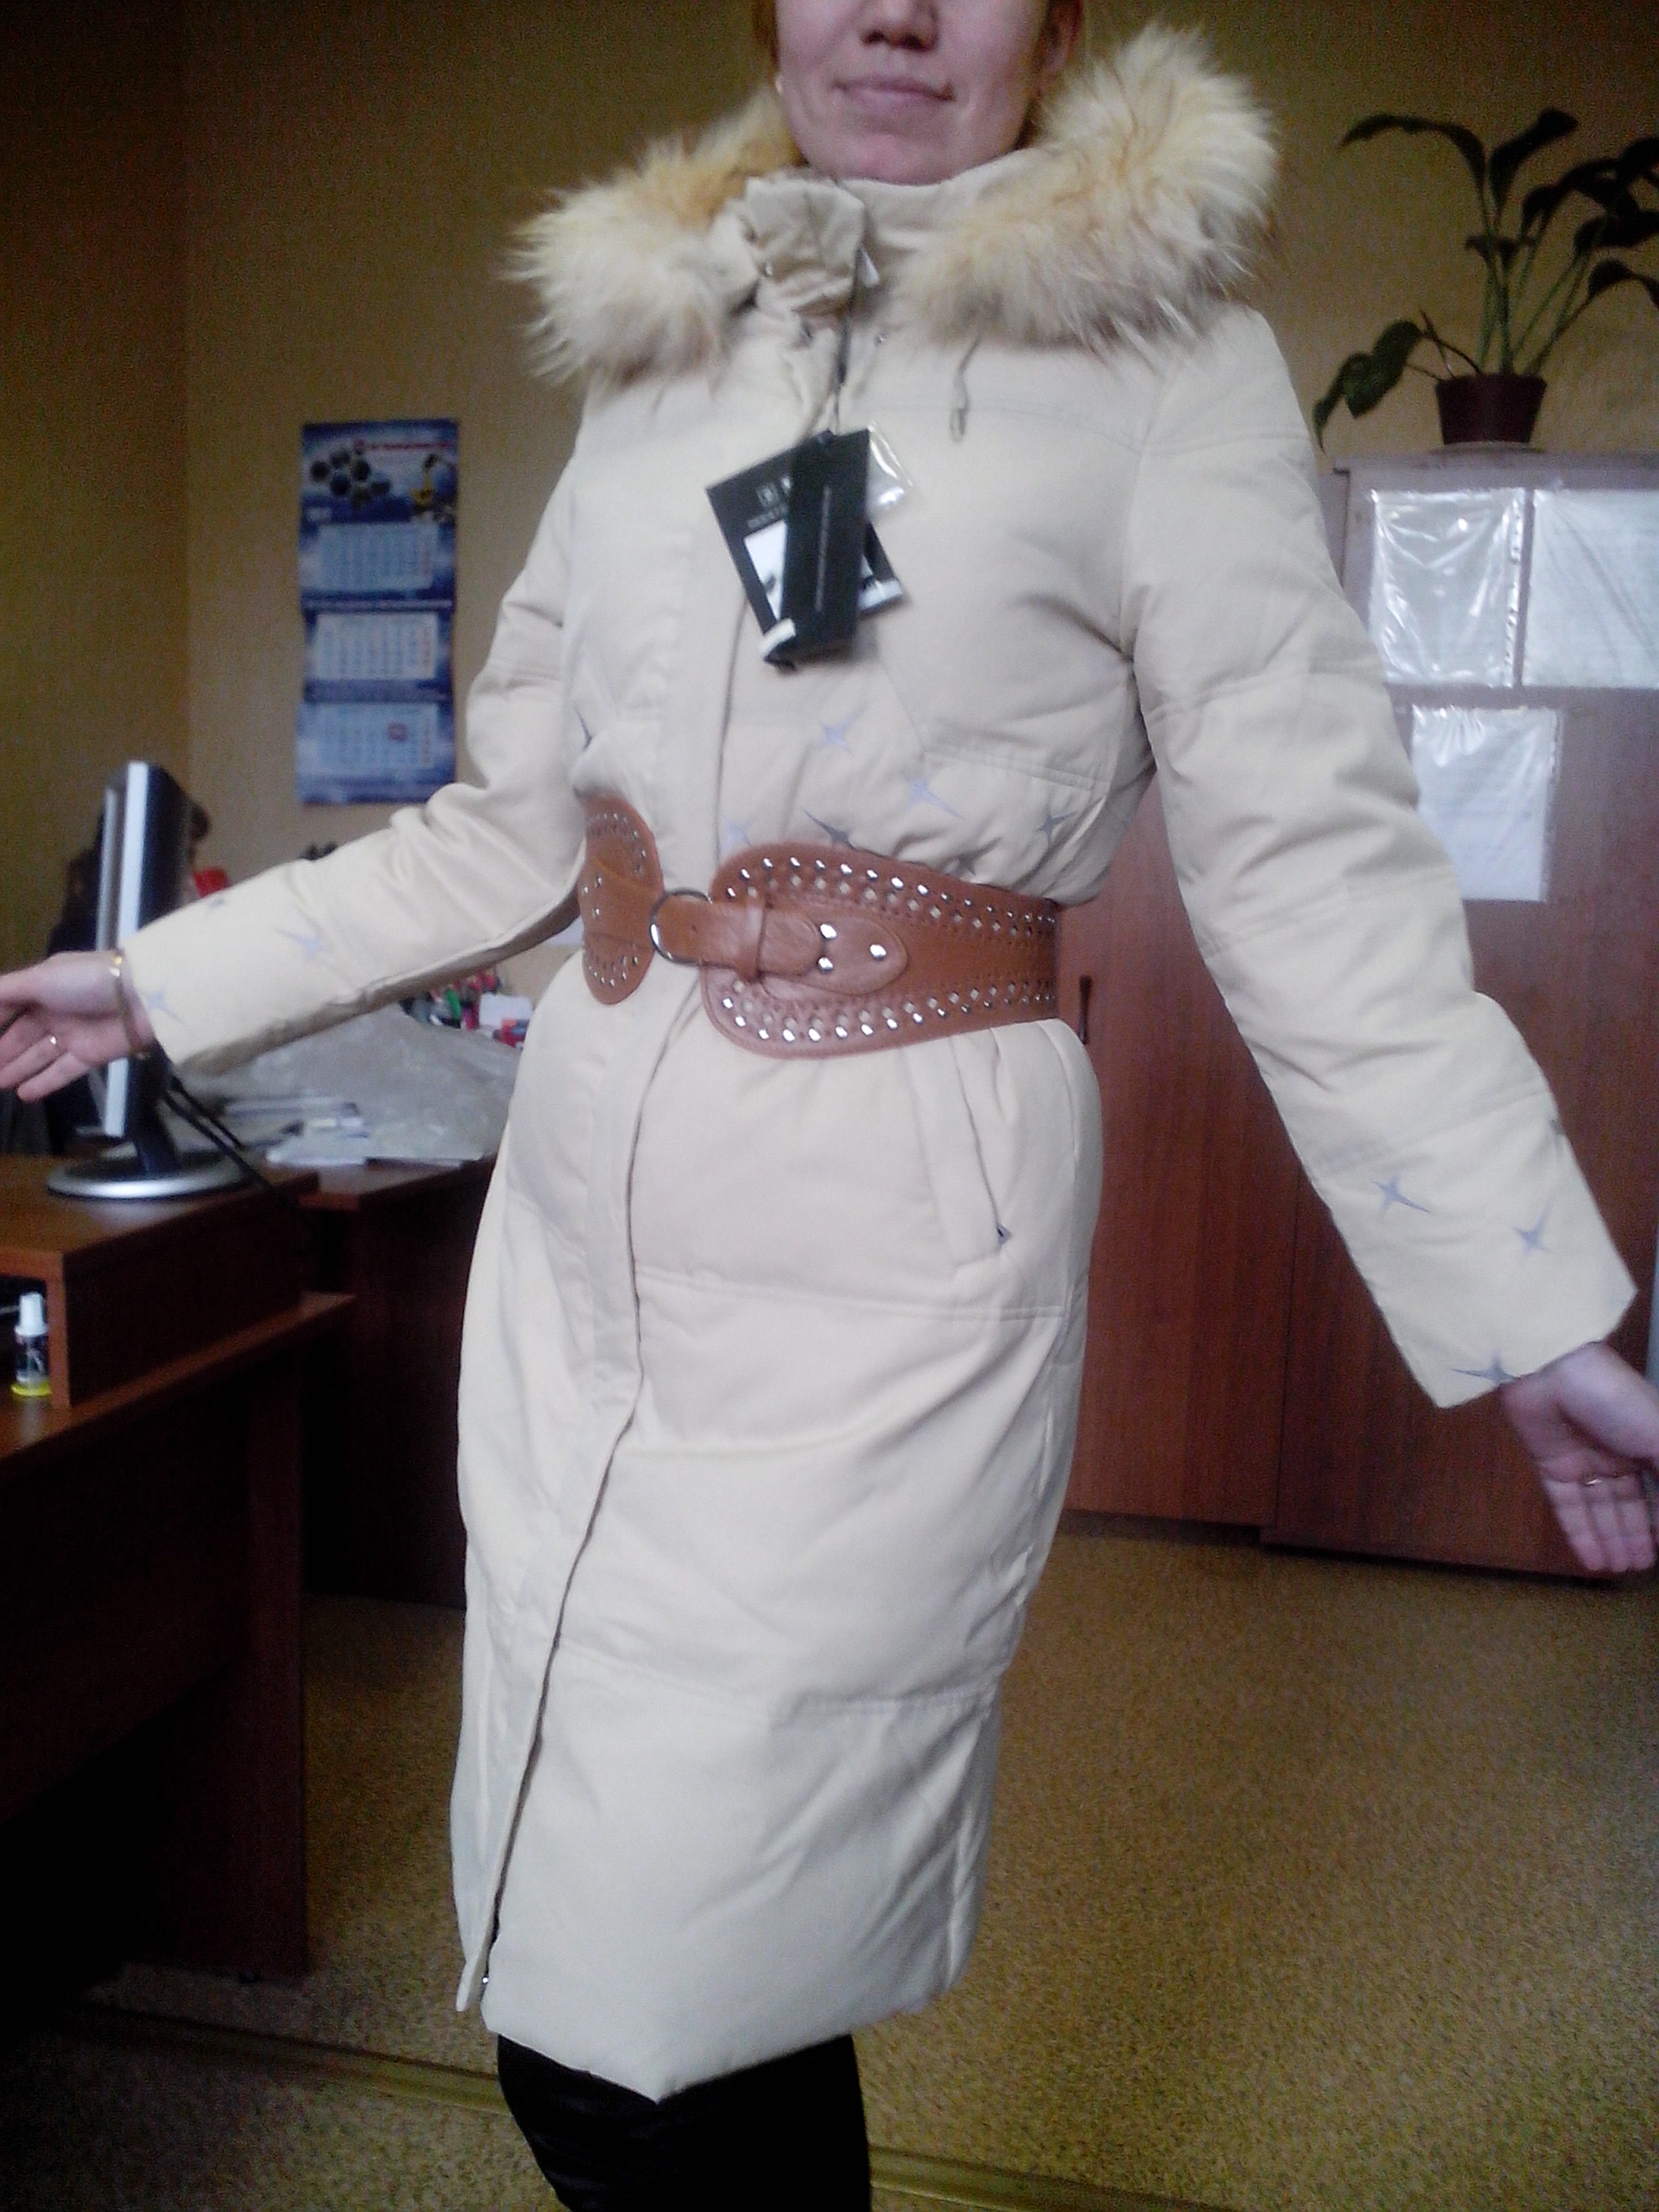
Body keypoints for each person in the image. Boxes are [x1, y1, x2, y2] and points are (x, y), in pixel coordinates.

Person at [3, 3, 1657, 2202]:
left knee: (653, 2022)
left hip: (896, 1253)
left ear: (1057, 20)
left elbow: (1317, 876)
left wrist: (1528, 1298)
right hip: (587, 1231)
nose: (892, 11)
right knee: (618, 1988)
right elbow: (504, 832)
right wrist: (155, 980)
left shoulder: (1167, 362)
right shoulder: (658, 353)